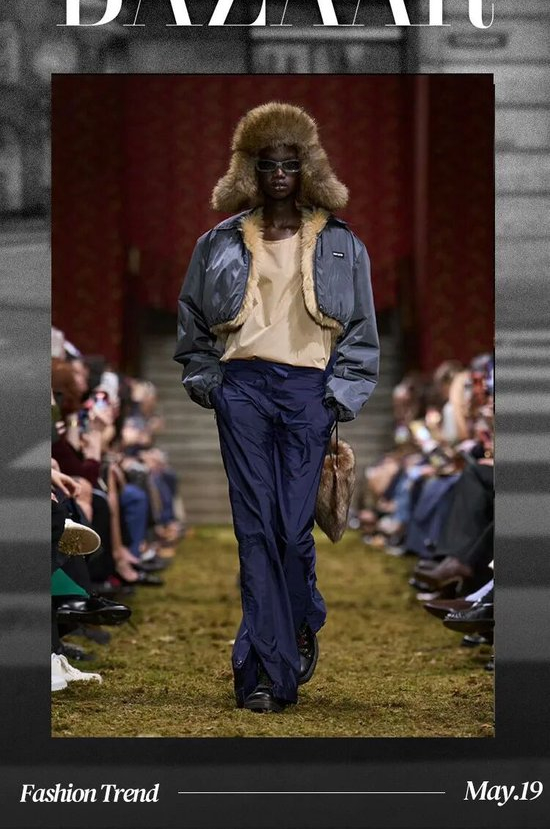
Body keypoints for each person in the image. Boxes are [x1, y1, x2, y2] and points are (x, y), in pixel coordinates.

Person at [174, 102, 379, 712]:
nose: (280, 175)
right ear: (250, 170)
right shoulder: (218, 242)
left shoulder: (341, 243)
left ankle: (301, 613)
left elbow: (362, 329)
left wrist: (341, 393)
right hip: (241, 389)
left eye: (290, 164)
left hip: (308, 391)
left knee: (292, 529)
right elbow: (191, 321)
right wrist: (210, 382)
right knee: (255, 529)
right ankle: (265, 673)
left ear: (307, 167)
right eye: (269, 165)